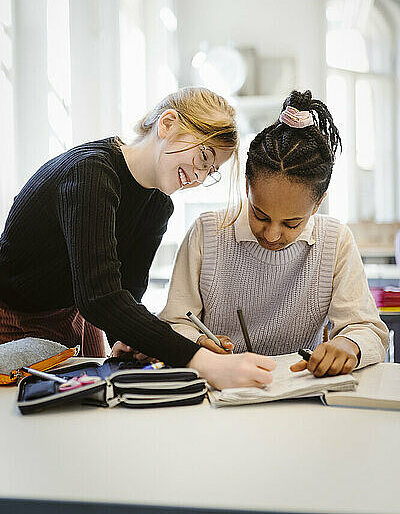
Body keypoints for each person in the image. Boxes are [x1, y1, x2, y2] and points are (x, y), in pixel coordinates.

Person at [0, 86, 276, 390]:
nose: (199, 178)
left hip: (72, 313)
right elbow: (100, 297)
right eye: (203, 157)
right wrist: (203, 361)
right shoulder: (91, 173)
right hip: (11, 312)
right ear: (167, 124)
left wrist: (125, 338)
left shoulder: (158, 205)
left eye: (210, 171)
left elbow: (127, 291)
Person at [159, 90, 389, 377]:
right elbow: (174, 322)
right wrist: (196, 341)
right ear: (247, 187)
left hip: (301, 393)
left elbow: (369, 329)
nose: (271, 234)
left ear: (318, 203)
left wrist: (348, 344)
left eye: (292, 223)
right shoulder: (209, 233)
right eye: (260, 214)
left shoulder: (335, 240)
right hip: (221, 394)